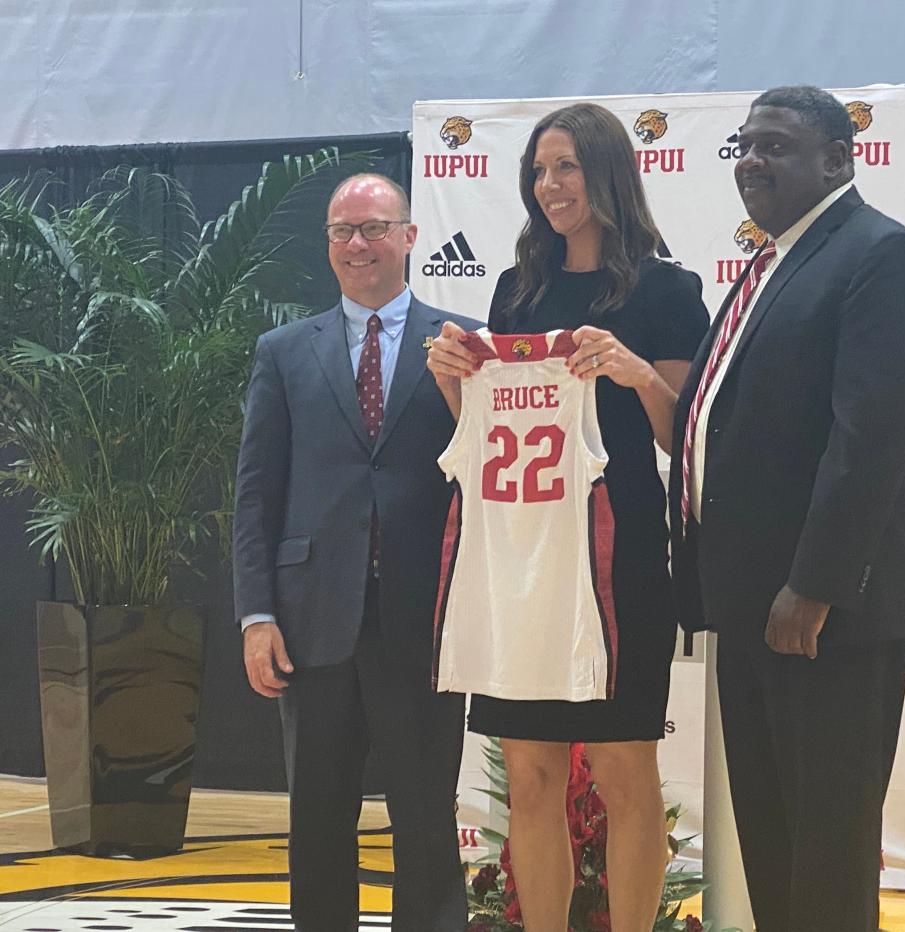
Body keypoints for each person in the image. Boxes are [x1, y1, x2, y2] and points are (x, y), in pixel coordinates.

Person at [668, 86, 905, 931]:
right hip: (756, 606)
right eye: (745, 145)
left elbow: (869, 441)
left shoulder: (879, 256)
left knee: (826, 846)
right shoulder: (773, 261)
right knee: (773, 841)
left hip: (828, 615)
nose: (751, 161)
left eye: (776, 146)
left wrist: (815, 586)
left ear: (837, 158)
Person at [426, 102, 709, 932]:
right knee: (533, 777)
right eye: (539, 171)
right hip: (522, 561)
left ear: (608, 172)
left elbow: (680, 436)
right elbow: (484, 431)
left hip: (617, 558)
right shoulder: (518, 291)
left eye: (567, 168)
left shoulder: (666, 289)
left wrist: (630, 371)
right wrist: (453, 377)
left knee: (626, 776)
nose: (550, 187)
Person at [232, 173, 476, 932]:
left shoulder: (465, 344)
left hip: (426, 619)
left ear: (408, 236)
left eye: (373, 228)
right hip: (310, 623)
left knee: (427, 820)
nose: (357, 245)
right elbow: (255, 494)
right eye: (342, 232)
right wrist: (256, 614)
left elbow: (483, 479)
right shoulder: (282, 351)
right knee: (318, 820)